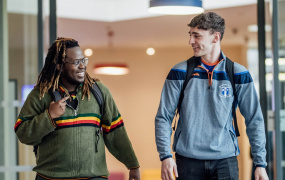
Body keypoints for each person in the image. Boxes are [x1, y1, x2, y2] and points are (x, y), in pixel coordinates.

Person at [155, 12, 268, 180]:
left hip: (225, 162)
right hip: (187, 162)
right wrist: (165, 156)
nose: (190, 41)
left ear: (216, 37)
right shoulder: (179, 72)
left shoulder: (238, 74)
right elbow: (164, 117)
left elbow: (254, 119)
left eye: (196, 36)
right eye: (190, 35)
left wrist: (260, 164)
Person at [14, 37, 140, 180]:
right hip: (50, 177)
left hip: (94, 177)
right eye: (76, 62)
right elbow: (22, 132)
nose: (82, 66)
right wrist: (49, 116)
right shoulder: (41, 94)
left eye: (83, 61)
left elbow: (116, 132)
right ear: (59, 65)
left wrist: (132, 165)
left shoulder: (99, 92)